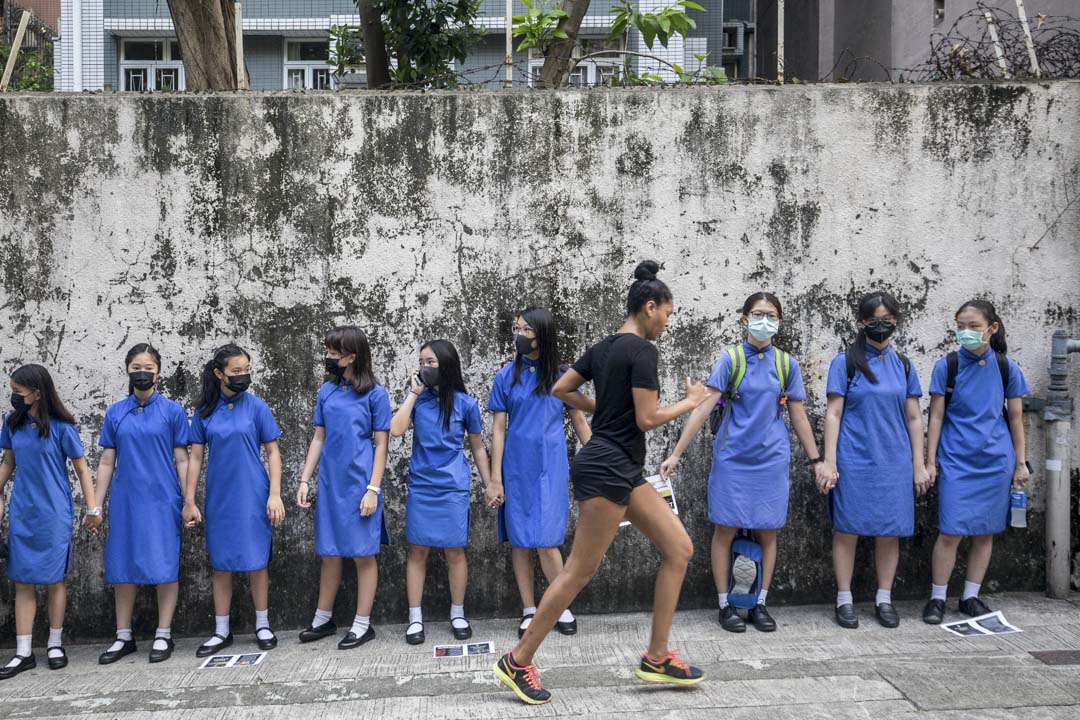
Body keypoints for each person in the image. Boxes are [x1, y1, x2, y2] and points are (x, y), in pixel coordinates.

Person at [493, 260, 710, 706]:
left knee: (679, 549)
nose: (667, 324)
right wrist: (689, 403)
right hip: (609, 468)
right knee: (578, 571)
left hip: (617, 467)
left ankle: (656, 656)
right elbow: (647, 418)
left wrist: (603, 411)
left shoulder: (604, 346)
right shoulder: (643, 351)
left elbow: (561, 391)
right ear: (649, 307)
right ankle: (517, 661)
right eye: (667, 314)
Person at [661, 292, 827, 633]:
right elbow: (703, 408)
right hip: (732, 460)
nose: (763, 320)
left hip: (771, 460)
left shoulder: (786, 364)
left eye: (770, 315)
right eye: (757, 313)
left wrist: (817, 461)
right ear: (744, 318)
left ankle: (760, 603)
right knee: (725, 528)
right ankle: (726, 605)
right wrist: (677, 453)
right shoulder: (731, 360)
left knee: (768, 530)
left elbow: (798, 417)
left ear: (779, 322)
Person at [821, 291, 929, 630]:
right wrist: (829, 460)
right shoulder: (846, 362)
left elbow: (914, 418)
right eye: (873, 321)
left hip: (894, 462)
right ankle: (844, 599)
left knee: (889, 531)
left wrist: (919, 463)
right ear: (861, 323)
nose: (880, 327)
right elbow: (834, 413)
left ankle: (884, 598)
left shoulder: (905, 365)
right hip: (854, 459)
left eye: (887, 321)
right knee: (846, 530)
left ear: (896, 322)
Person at [922, 300, 1030, 624]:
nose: (966, 333)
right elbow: (936, 416)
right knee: (950, 530)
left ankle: (970, 596)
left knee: (986, 531)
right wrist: (930, 461)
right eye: (961, 326)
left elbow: (1016, 418)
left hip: (996, 460)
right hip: (956, 460)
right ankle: (937, 598)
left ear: (992, 328)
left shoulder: (1006, 368)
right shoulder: (948, 366)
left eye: (974, 326)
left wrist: (1021, 464)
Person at [489, 307, 591, 639]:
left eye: (526, 329)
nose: (519, 334)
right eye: (516, 327)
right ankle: (529, 609)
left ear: (542, 335)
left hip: (551, 469)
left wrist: (598, 460)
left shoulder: (563, 376)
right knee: (520, 541)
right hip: (515, 469)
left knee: (547, 541)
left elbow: (579, 422)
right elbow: (499, 430)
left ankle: (560, 606)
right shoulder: (506, 376)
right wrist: (495, 478)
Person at [390, 339, 497, 646]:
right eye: (422, 361)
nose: (425, 367)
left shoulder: (466, 404)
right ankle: (415, 618)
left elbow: (477, 446)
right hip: (422, 486)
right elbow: (395, 429)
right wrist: (413, 393)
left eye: (431, 362)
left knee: (455, 551)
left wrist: (489, 482)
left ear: (447, 365)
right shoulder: (418, 402)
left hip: (453, 486)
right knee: (417, 550)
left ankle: (458, 613)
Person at [183, 344, 285, 656]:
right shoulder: (204, 413)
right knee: (221, 564)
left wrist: (275, 494)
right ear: (219, 374)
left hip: (253, 494)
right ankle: (221, 630)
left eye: (246, 370)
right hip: (220, 497)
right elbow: (195, 458)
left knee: (257, 562)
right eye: (235, 371)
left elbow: (273, 452)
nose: (243, 376)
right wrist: (190, 500)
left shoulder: (257, 408)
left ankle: (263, 624)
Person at [0, 365, 101, 678]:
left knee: (56, 579)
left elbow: (82, 469)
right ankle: (23, 652)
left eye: (18, 392)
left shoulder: (61, 426)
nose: (13, 397)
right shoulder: (12, 424)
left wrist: (92, 508)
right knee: (23, 580)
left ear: (38, 393)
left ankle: (55, 644)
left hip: (55, 513)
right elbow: (7, 463)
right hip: (22, 512)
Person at [296, 326, 392, 650]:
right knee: (330, 554)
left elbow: (381, 446)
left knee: (363, 555)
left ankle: (363, 624)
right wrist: (305, 479)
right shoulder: (327, 392)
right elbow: (318, 438)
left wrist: (373, 489)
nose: (328, 358)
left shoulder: (376, 395)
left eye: (333, 353)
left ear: (352, 356)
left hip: (361, 483)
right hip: (330, 483)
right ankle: (323, 618)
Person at [95, 344, 190, 664]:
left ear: (158, 372)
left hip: (163, 499)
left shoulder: (173, 412)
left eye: (149, 367)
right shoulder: (115, 413)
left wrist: (188, 499)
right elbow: (107, 461)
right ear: (127, 370)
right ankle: (123, 636)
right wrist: (96, 504)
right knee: (123, 565)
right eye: (137, 366)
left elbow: (182, 458)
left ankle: (164, 634)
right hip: (126, 501)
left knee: (165, 564)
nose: (143, 372)